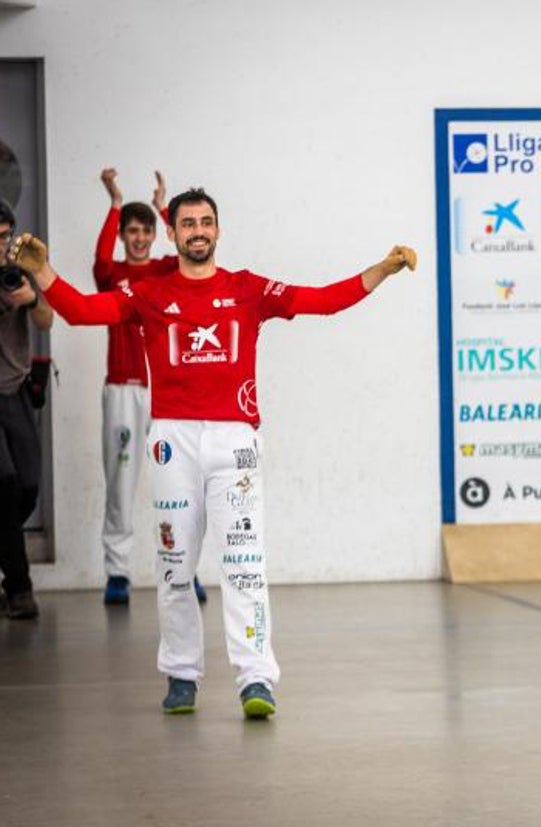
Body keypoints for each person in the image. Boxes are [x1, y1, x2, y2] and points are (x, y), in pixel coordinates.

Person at [9, 187, 417, 717]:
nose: (197, 231)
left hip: (236, 442)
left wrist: (381, 269)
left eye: (206, 222)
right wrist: (43, 275)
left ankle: (256, 680)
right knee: (176, 565)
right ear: (172, 233)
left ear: (217, 230)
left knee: (245, 565)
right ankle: (181, 675)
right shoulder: (149, 292)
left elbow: (321, 299)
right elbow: (85, 312)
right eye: (187, 224)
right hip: (172, 441)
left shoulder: (248, 289)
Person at [93, 168, 208, 606]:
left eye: (146, 231)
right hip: (122, 391)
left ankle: (187, 569)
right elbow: (102, 259)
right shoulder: (112, 273)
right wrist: (115, 202)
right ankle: (117, 573)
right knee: (121, 482)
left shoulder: (164, 271)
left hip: (166, 395)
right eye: (132, 231)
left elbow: (186, 245)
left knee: (180, 484)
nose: (140, 238)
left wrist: (164, 205)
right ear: (123, 235)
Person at [0, 199, 54, 619]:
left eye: (4, 238)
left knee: (29, 486)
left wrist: (30, 298)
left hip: (15, 391)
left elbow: (46, 322)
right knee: (4, 486)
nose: (1, 247)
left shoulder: (20, 270)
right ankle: (19, 588)